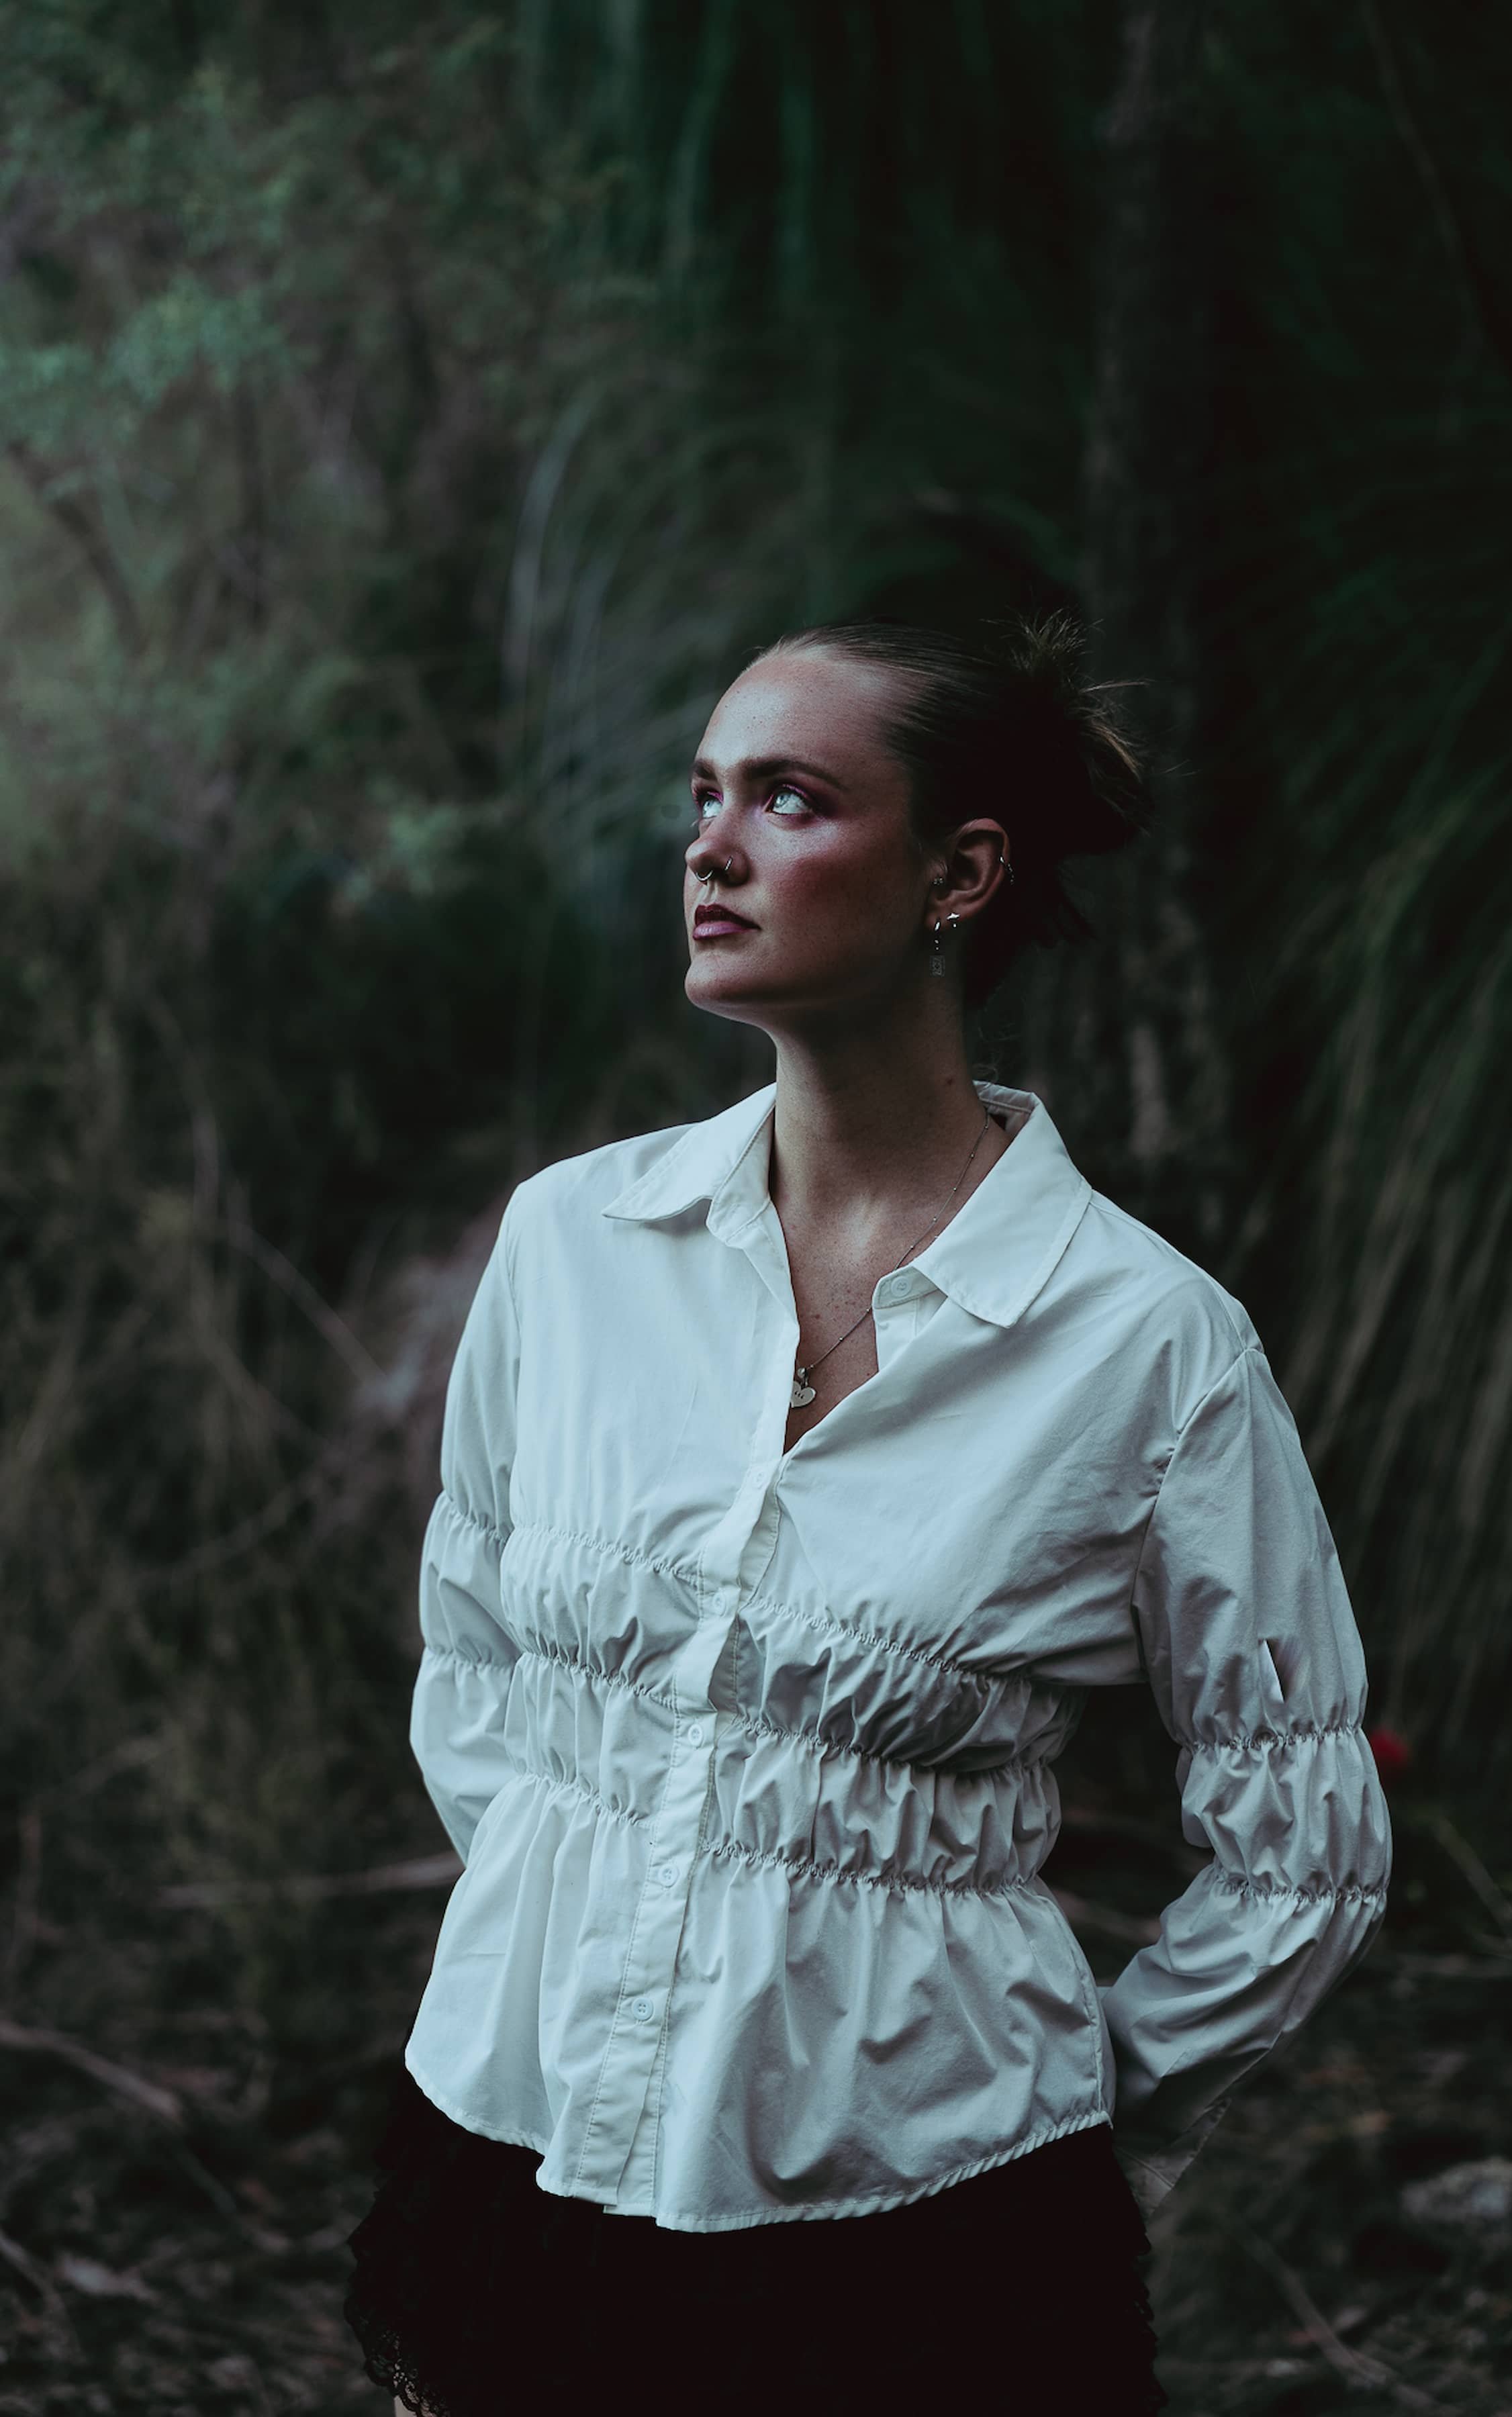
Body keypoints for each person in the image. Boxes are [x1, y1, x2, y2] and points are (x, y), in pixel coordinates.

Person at [345, 616, 1391, 2414]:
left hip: (931, 2220)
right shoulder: (574, 1246)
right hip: (522, 2141)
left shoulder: (1148, 1347)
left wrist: (1085, 2089)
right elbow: (480, 1660)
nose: (712, 844)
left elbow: (1303, 1833)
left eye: (791, 798)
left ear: (958, 873)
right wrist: (583, 1925)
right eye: (703, 796)